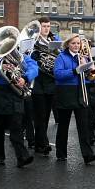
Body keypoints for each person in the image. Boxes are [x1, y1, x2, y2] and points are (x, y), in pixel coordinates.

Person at [0, 39, 37, 168]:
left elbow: (34, 68)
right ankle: (0, 156)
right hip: (0, 91)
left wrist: (25, 78)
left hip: (15, 92)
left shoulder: (21, 56)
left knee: (16, 125)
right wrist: (1, 67)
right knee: (0, 125)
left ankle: (21, 156)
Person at [52, 34, 95, 164]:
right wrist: (75, 70)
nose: (76, 46)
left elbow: (91, 78)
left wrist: (88, 68)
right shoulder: (61, 57)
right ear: (68, 45)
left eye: (78, 43)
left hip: (80, 93)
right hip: (65, 93)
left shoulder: (82, 57)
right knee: (63, 126)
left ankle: (87, 155)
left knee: (83, 126)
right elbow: (58, 74)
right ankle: (61, 153)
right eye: (73, 43)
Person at [30, 16, 60, 155]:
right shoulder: (33, 42)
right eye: (44, 26)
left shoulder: (53, 41)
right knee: (40, 116)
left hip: (50, 83)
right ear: (38, 27)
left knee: (46, 116)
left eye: (48, 26)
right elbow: (31, 60)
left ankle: (38, 144)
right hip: (38, 83)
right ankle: (44, 143)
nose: (47, 29)